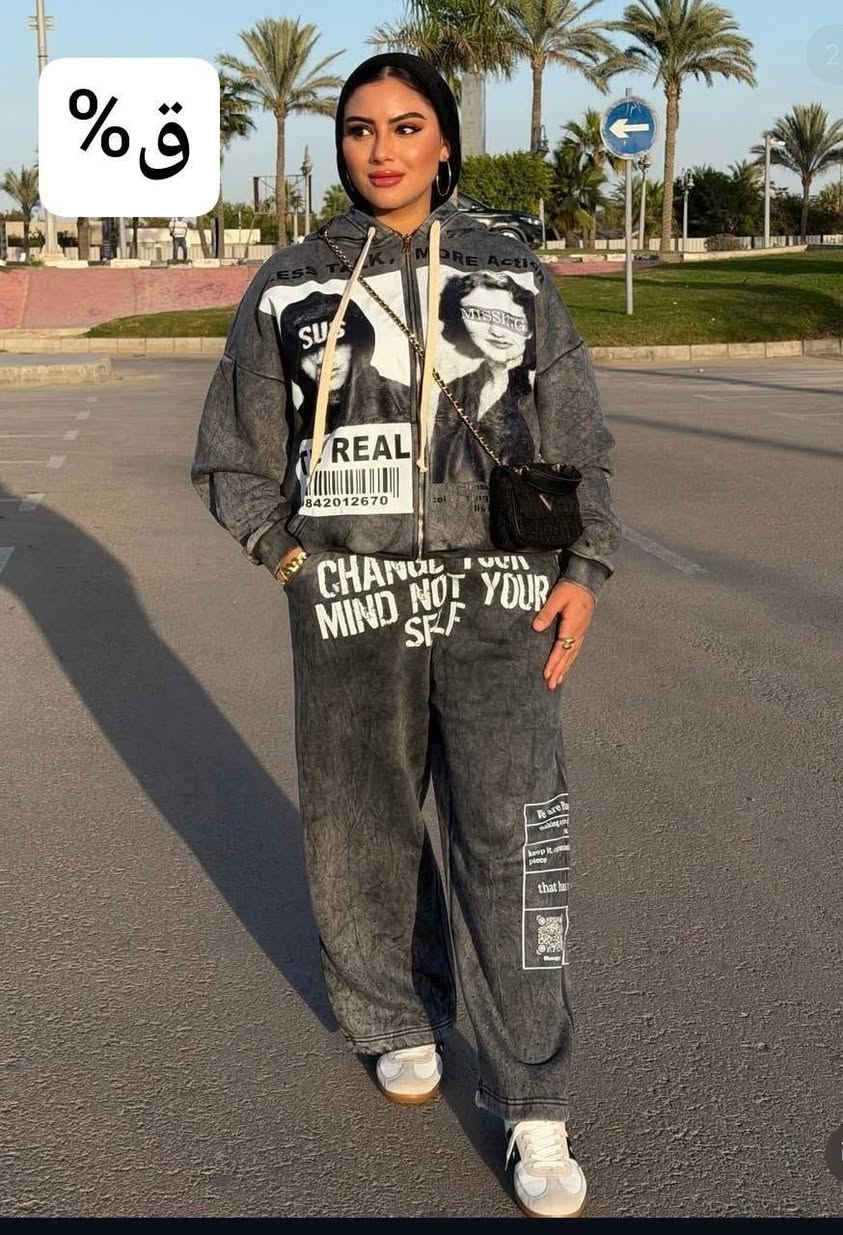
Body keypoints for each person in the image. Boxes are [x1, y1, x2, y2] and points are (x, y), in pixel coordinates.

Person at [189, 50, 621, 1219]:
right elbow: (233, 453)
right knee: (362, 828)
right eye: (360, 128)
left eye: (407, 125)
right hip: (350, 604)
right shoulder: (289, 282)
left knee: (514, 838)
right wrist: (290, 559)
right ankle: (395, 1015)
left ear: (444, 142)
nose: (381, 149)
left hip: (499, 596)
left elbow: (575, 427)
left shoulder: (510, 268)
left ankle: (536, 1101)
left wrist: (584, 568)